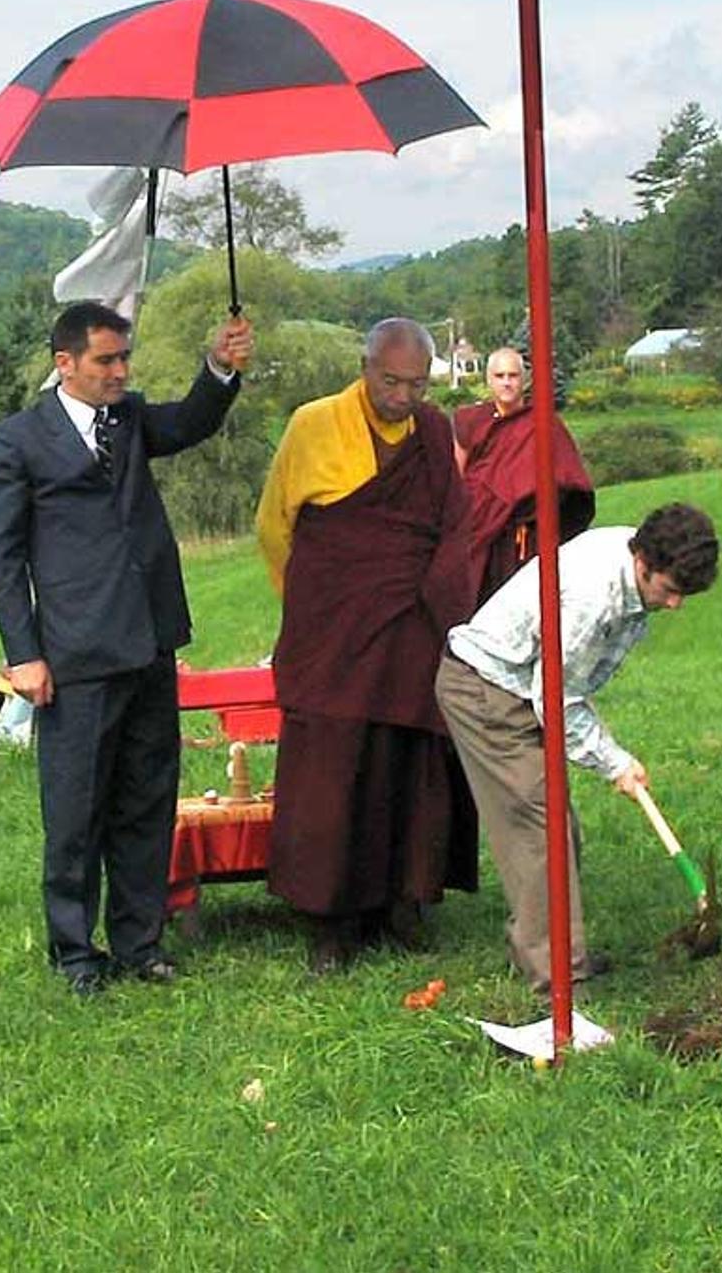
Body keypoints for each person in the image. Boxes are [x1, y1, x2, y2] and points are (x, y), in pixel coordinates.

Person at [0, 301, 252, 995]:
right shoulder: (18, 442)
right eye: (106, 360)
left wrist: (220, 365)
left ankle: (140, 940)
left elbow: (189, 420)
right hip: (74, 655)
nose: (120, 372)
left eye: (124, 358)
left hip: (150, 642)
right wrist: (25, 653)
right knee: (75, 810)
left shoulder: (128, 421)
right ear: (64, 362)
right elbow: (3, 558)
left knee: (146, 799)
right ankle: (74, 951)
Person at [254, 319, 477, 971]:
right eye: (391, 381)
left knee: (411, 758)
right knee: (331, 768)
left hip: (412, 621)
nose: (404, 396)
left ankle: (401, 901)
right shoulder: (313, 423)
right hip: (335, 626)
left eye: (416, 383)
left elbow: (454, 524)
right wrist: (315, 604)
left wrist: (439, 600)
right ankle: (330, 918)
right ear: (364, 366)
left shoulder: (434, 434)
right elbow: (275, 525)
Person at [436, 502, 721, 986]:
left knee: (555, 828)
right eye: (669, 591)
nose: (675, 605)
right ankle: (556, 974)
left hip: (520, 685)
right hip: (485, 691)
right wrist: (614, 763)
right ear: (642, 563)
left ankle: (558, 951)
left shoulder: (641, 552)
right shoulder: (592, 598)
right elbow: (557, 700)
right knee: (540, 829)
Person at [436, 344, 594, 628]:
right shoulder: (470, 421)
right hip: (480, 528)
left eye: (513, 375)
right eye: (499, 376)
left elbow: (569, 477)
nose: (507, 382)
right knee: (473, 604)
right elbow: (455, 478)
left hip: (525, 534)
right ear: (488, 380)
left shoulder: (543, 423)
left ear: (525, 380)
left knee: (522, 608)